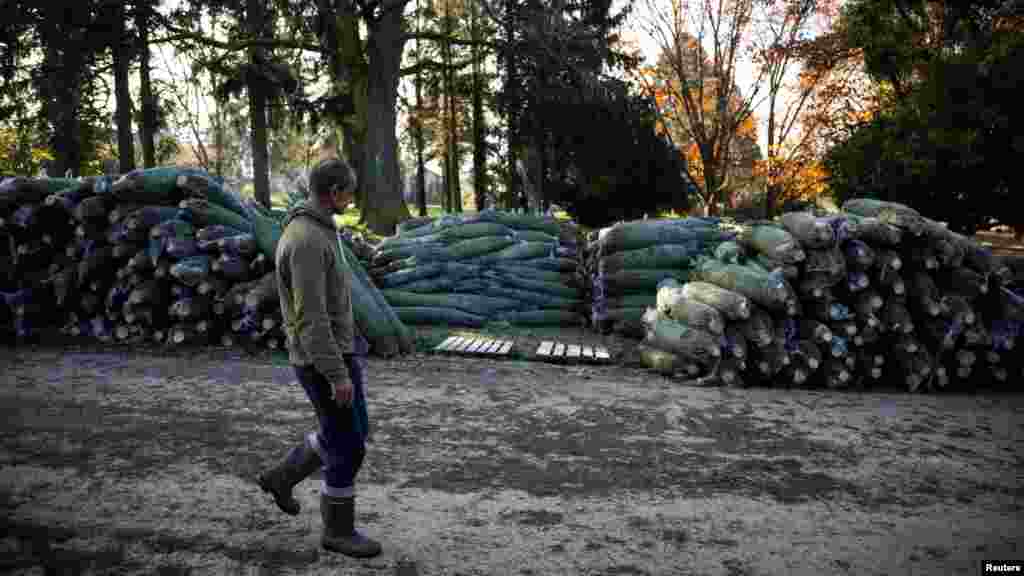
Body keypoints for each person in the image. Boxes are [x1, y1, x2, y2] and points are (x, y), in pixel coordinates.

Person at [257, 157, 381, 558]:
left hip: (336, 353)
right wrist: (336, 375)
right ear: (333, 192)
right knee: (347, 446)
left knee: (349, 434)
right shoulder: (307, 240)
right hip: (322, 361)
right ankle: (337, 531)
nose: (353, 196)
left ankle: (282, 476)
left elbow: (331, 302)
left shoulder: (321, 230)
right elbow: (310, 318)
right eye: (349, 190)